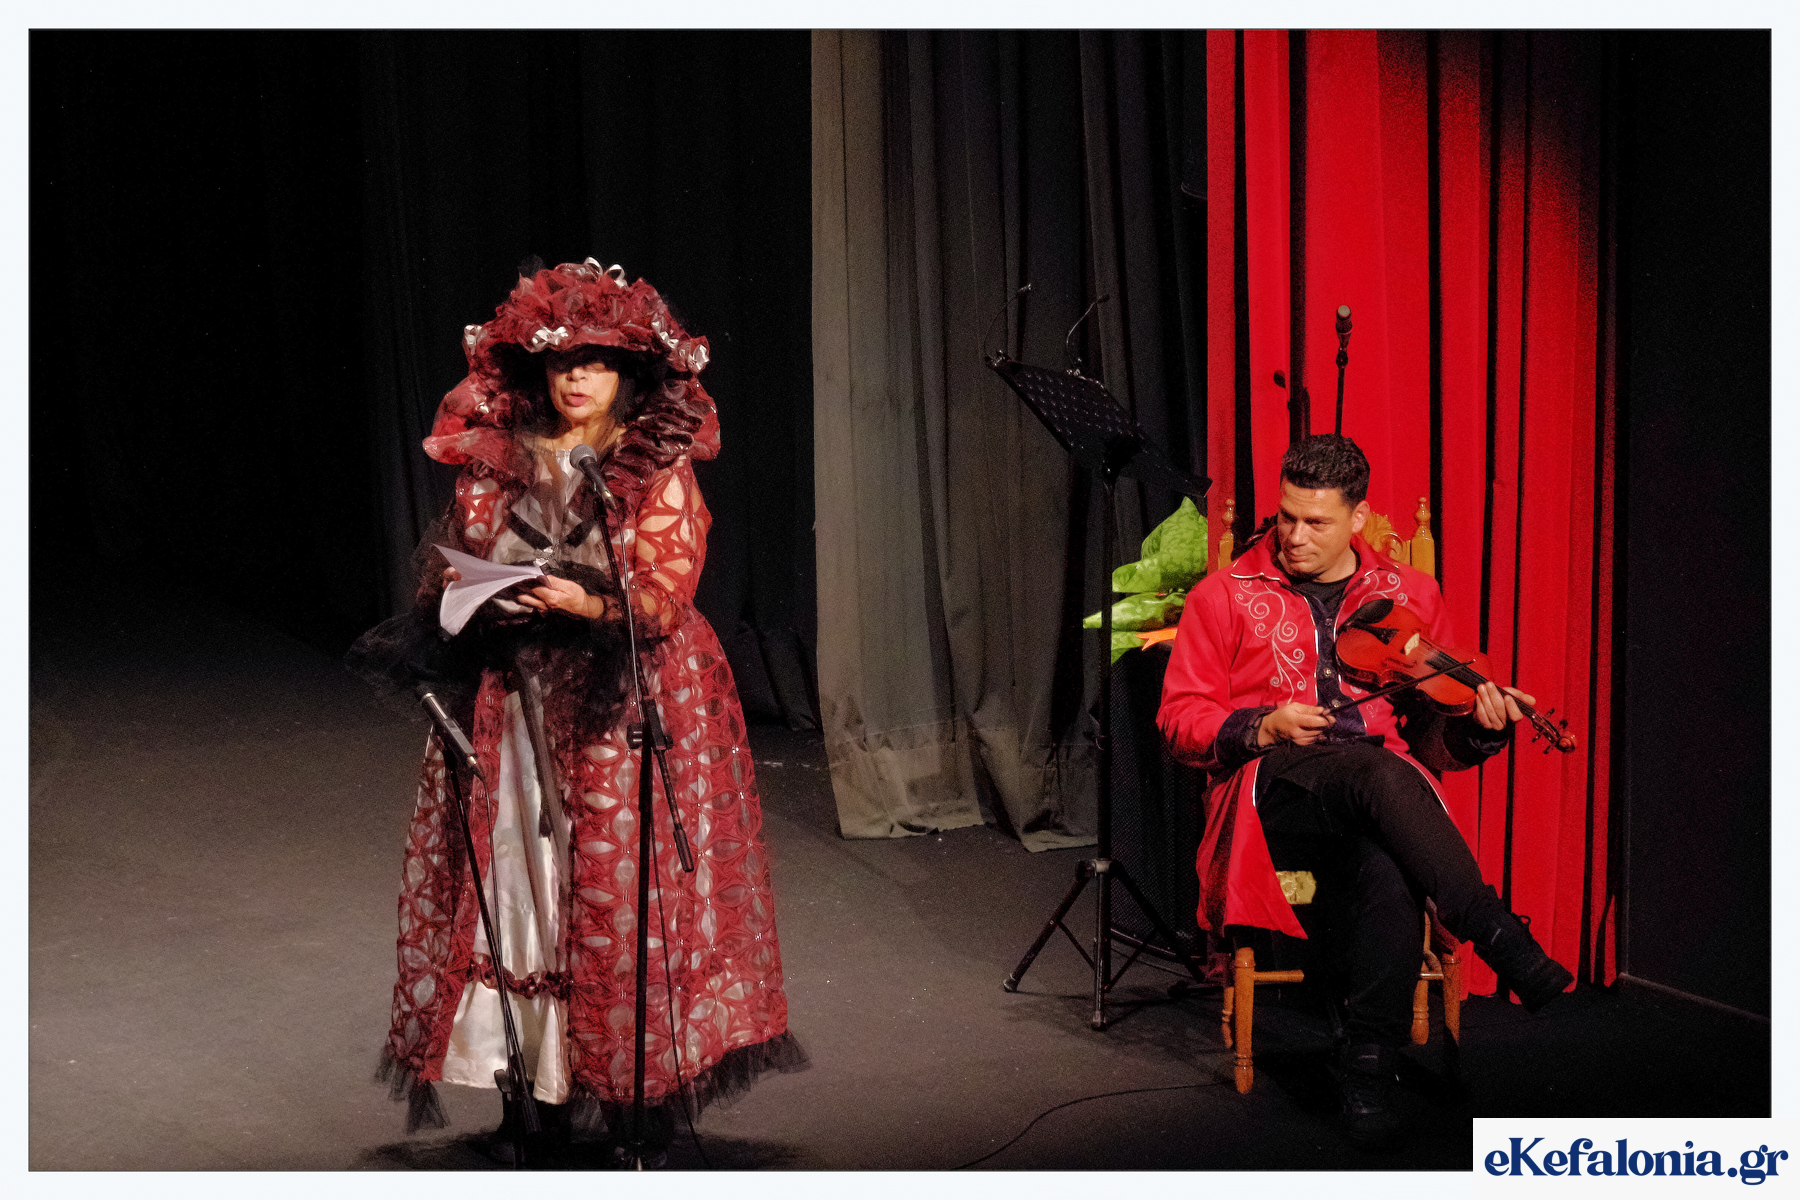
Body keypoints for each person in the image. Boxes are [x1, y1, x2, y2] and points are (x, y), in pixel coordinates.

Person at [354, 257, 804, 1164]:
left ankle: (634, 1092)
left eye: (596, 363)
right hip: (516, 698)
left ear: (625, 375)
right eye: (563, 362)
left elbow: (664, 592)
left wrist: (584, 601)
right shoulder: (503, 454)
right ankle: (535, 1091)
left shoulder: (649, 463)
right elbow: (457, 557)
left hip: (620, 700)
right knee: (520, 877)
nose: (577, 378)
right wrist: (482, 594)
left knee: (618, 887)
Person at [1157, 433, 1571, 1149]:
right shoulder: (1223, 595)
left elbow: (1435, 743)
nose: (1293, 536)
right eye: (1286, 516)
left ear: (1358, 517)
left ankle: (1368, 1065)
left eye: (1315, 522)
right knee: (1377, 771)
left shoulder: (1410, 596)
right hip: (1273, 792)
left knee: (1389, 859)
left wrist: (1482, 730)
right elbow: (1178, 721)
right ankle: (1494, 928)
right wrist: (1262, 724)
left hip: (1379, 800)